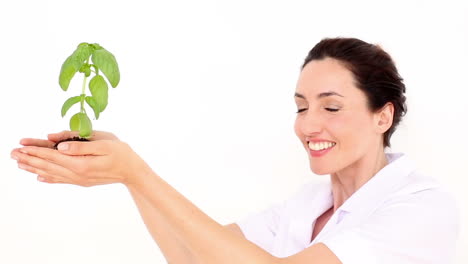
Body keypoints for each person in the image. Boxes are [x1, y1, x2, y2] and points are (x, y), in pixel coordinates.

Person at [10, 37, 459, 264]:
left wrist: (139, 174)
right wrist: (126, 174)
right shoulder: (307, 204)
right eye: (301, 107)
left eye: (332, 106)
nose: (309, 125)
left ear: (383, 116)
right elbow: (189, 257)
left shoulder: (421, 207)